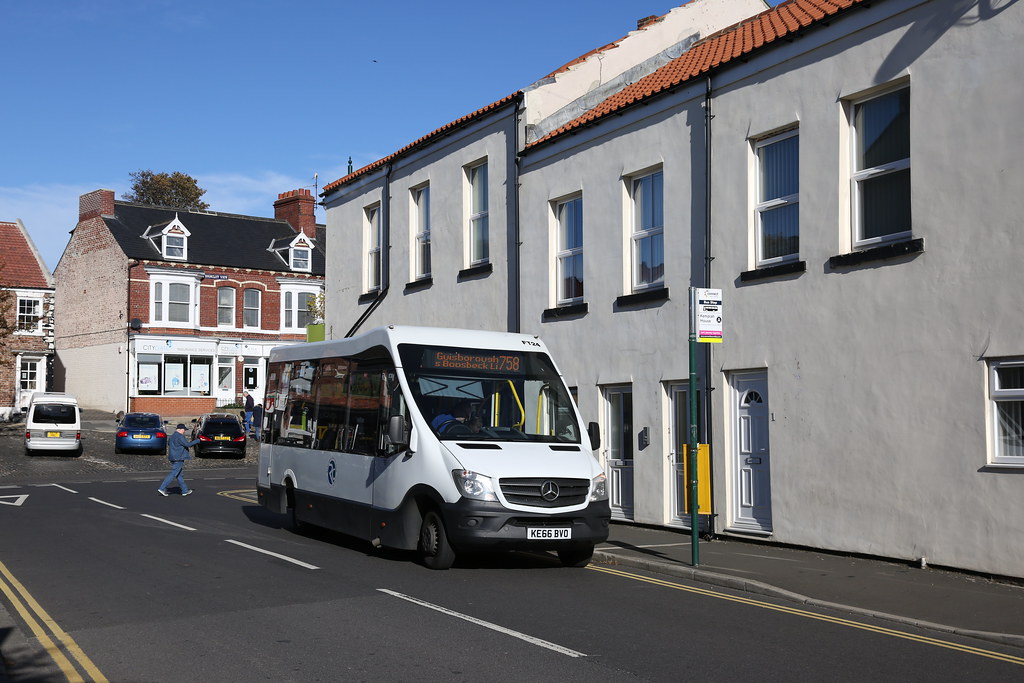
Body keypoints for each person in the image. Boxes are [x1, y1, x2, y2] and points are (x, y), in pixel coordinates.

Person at [158, 424, 200, 496]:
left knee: (179, 475)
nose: (184, 431)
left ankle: (184, 490)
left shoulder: (172, 436)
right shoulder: (180, 436)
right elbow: (187, 444)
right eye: (184, 430)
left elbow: (169, 444)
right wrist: (198, 440)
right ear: (180, 429)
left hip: (172, 457)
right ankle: (162, 488)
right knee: (173, 473)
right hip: (178, 458)